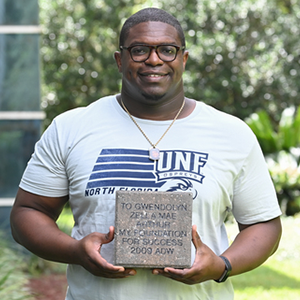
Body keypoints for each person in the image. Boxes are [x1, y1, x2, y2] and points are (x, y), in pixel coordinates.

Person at [10, 7, 282, 300]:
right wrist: (76, 252)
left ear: (184, 59)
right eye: (139, 50)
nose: (154, 60)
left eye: (167, 50)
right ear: (120, 59)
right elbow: (28, 212)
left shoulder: (231, 133)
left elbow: (263, 223)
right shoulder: (70, 127)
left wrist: (222, 266)